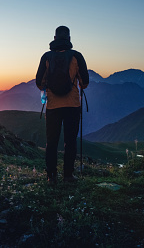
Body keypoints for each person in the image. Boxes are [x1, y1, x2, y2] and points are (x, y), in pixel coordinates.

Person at [36, 26, 89, 184]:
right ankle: (68, 175)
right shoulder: (76, 56)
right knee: (70, 141)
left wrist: (49, 87)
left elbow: (39, 83)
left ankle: (51, 176)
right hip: (72, 105)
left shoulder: (46, 57)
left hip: (52, 106)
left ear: (54, 38)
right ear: (69, 39)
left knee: (51, 142)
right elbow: (84, 83)